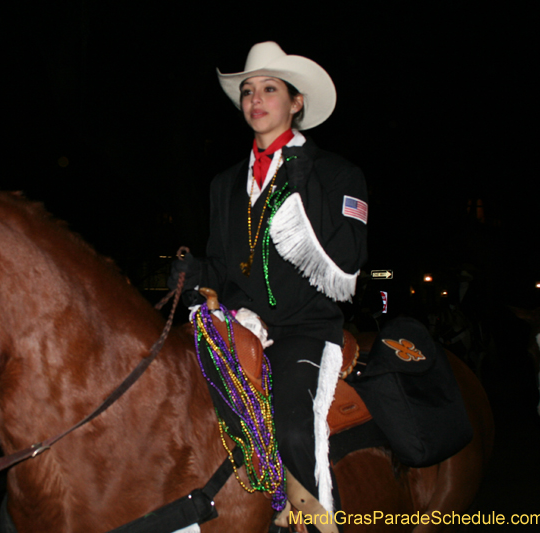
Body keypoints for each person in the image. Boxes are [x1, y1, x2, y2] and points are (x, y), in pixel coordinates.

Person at [172, 41, 368, 526]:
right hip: (241, 324)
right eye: (247, 91)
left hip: (305, 328)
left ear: (295, 103)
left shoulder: (337, 173)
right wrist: (197, 272)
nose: (255, 99)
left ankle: (322, 522)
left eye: (269, 89)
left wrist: (302, 186)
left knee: (295, 429)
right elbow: (222, 265)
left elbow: (348, 265)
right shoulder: (224, 183)